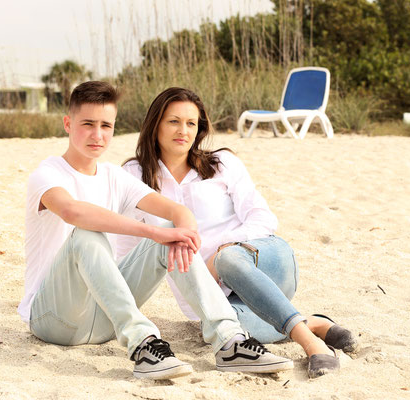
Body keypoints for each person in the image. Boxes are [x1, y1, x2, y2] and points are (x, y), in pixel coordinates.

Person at [18, 81, 295, 381]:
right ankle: (142, 344)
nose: (97, 135)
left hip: (107, 320)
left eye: (106, 126)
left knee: (168, 228)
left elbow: (178, 212)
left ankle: (230, 341)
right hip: (54, 318)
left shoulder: (114, 176)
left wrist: (178, 234)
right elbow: (73, 212)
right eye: (87, 124)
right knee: (88, 233)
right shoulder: (46, 174)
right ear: (68, 124)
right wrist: (152, 234)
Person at [117, 87, 358, 378]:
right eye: (173, 121)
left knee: (228, 259)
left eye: (191, 123)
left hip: (263, 262)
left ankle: (311, 344)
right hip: (210, 296)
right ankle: (311, 323)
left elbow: (263, 218)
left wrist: (220, 254)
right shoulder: (133, 175)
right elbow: (127, 249)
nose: (183, 130)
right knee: (225, 330)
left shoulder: (221, 163)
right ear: (155, 124)